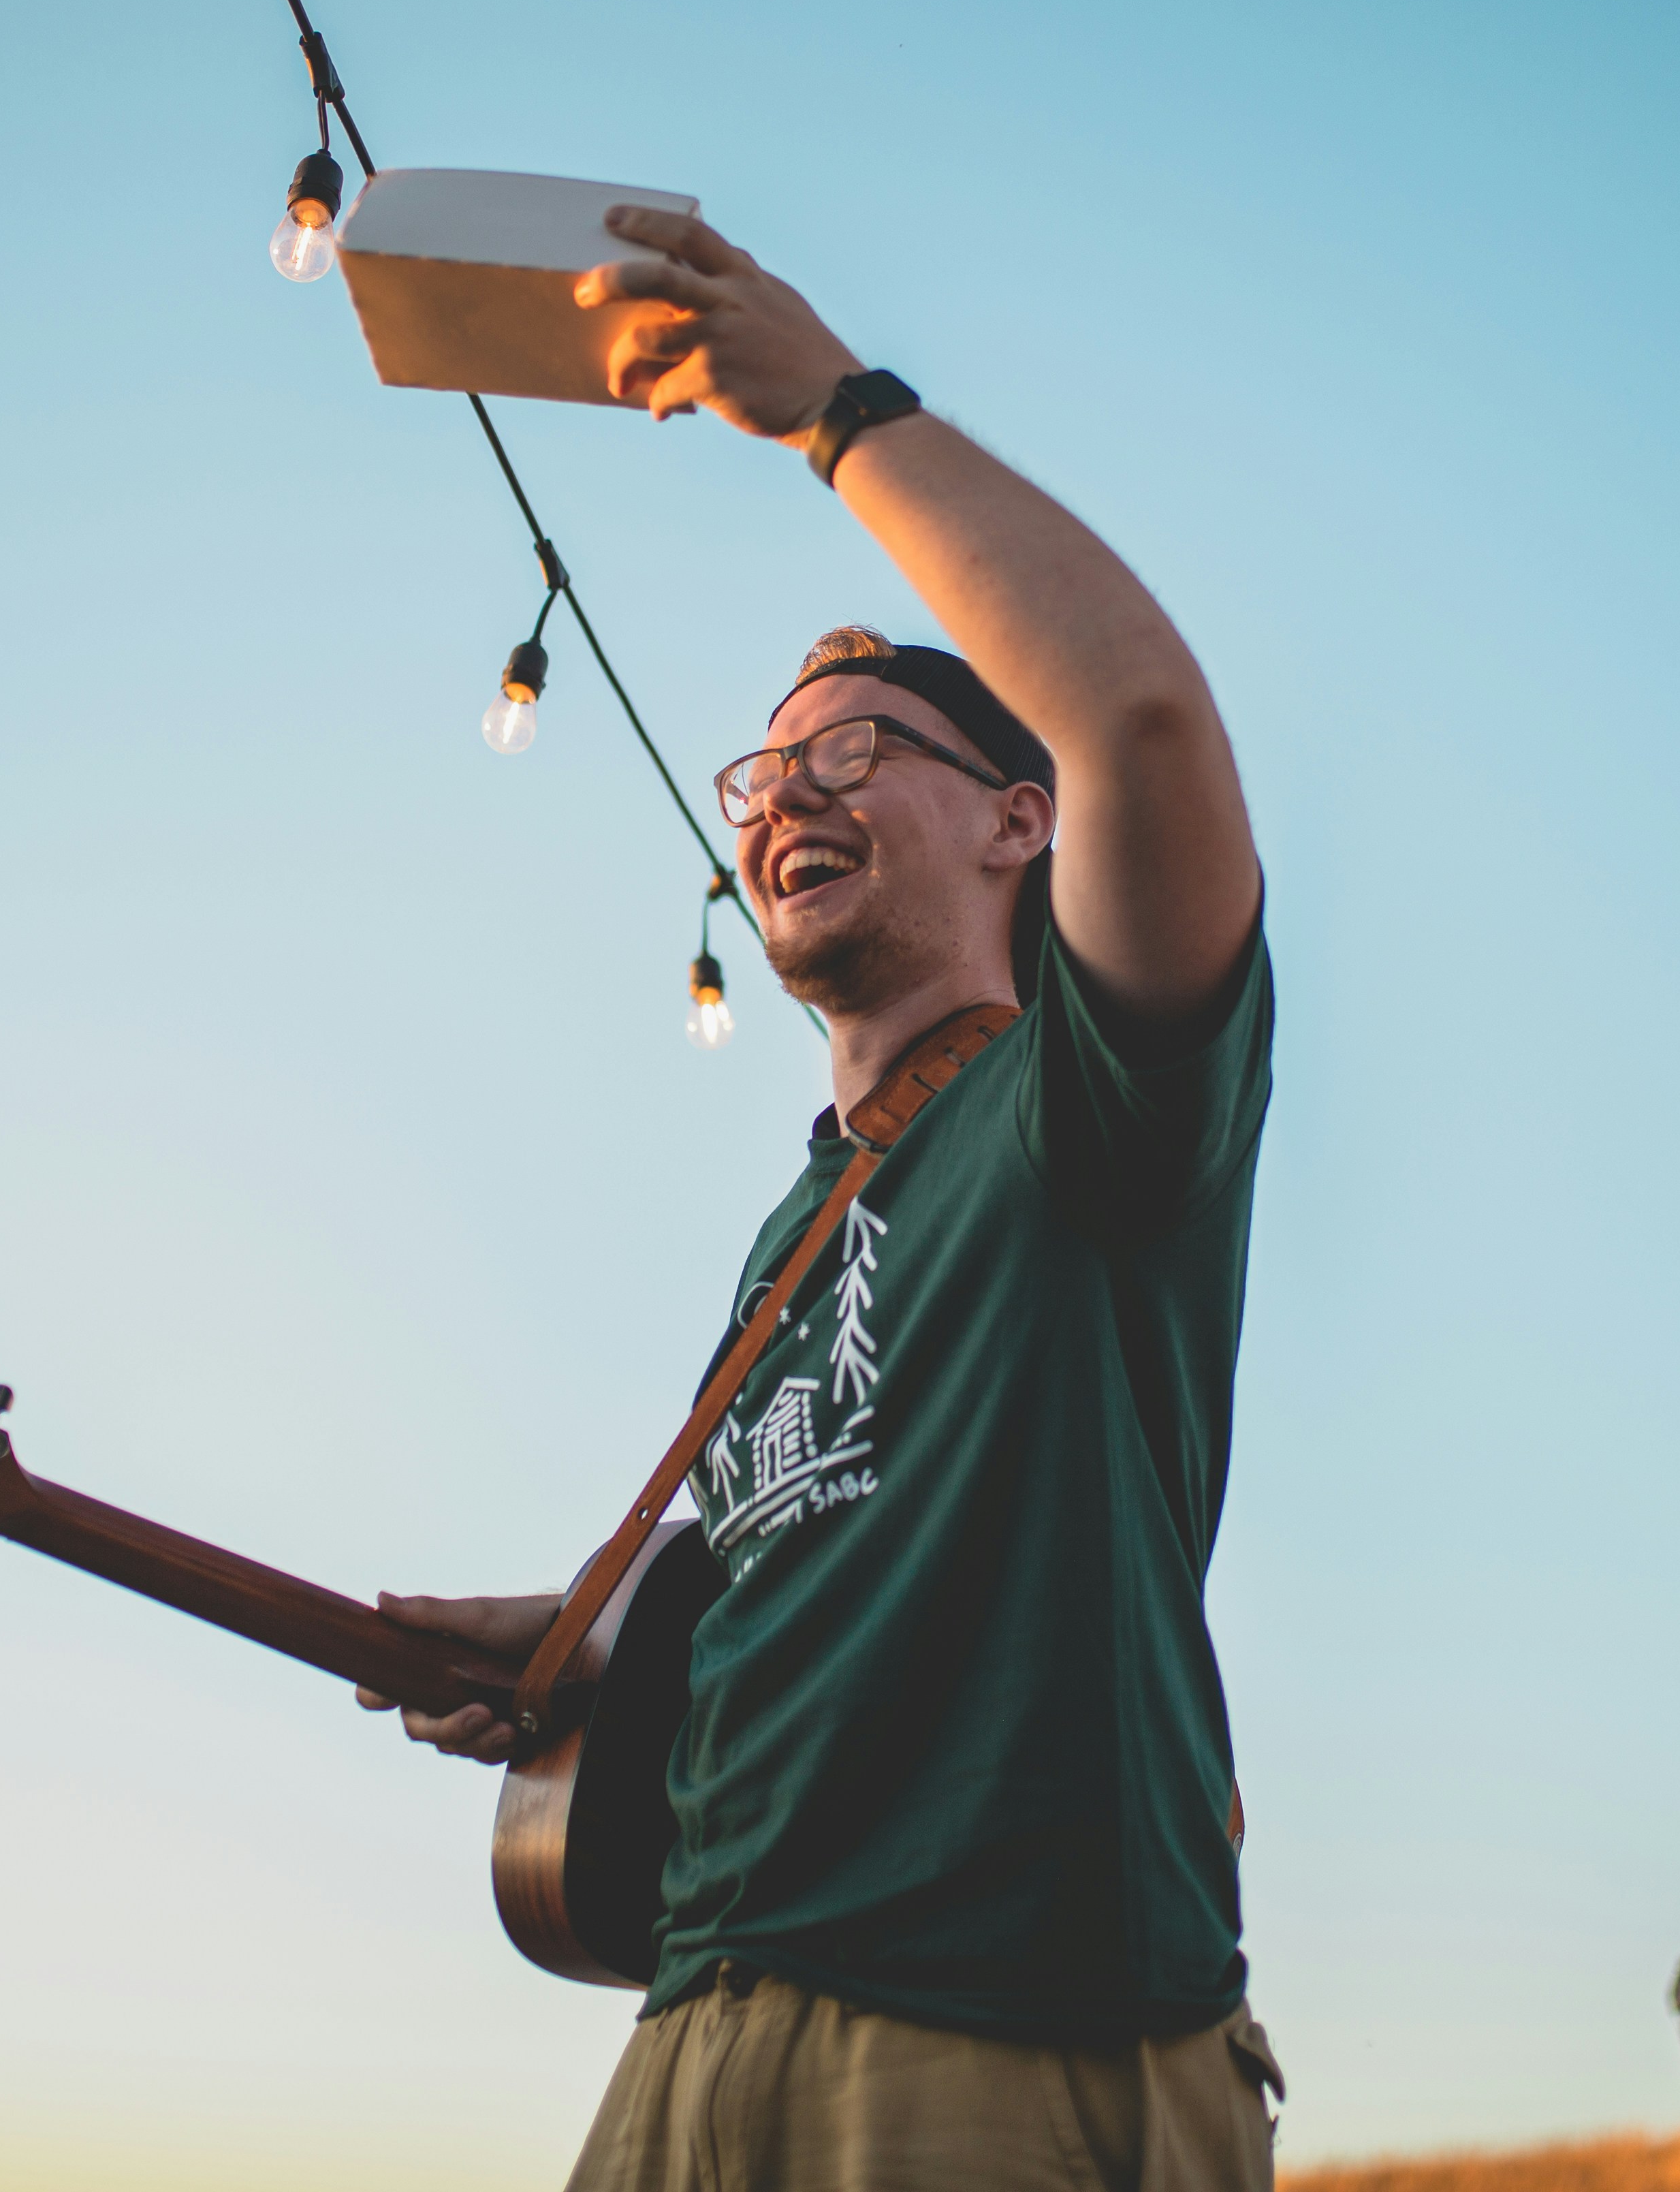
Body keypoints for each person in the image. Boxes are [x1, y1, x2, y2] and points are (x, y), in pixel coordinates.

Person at [360, 210, 1282, 2191]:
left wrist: (832, 411)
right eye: (762, 775)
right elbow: (820, 1575)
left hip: (992, 2037)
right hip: (690, 2027)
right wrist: (606, 1643)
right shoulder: (791, 1234)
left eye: (854, 749)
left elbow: (1140, 721)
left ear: (1017, 819)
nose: (783, 795)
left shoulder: (1091, 1101)